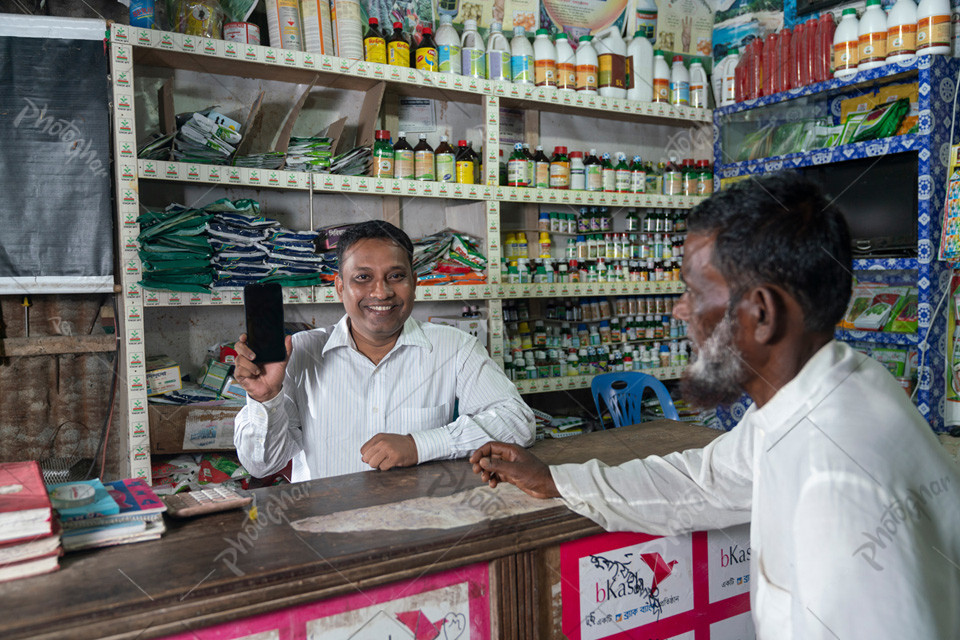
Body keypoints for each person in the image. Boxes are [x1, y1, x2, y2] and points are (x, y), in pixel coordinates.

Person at [470, 173, 960, 639]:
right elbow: (704, 481)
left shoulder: (835, 482)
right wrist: (556, 480)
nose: (680, 310)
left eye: (694, 290)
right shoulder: (822, 391)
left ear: (761, 313)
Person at [234, 220, 535, 482]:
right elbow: (262, 466)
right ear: (340, 287)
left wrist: (420, 445)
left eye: (396, 276)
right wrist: (265, 399)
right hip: (326, 531)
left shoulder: (455, 347)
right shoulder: (300, 353)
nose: (381, 292)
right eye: (363, 277)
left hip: (422, 526)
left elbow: (518, 423)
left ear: (414, 283)